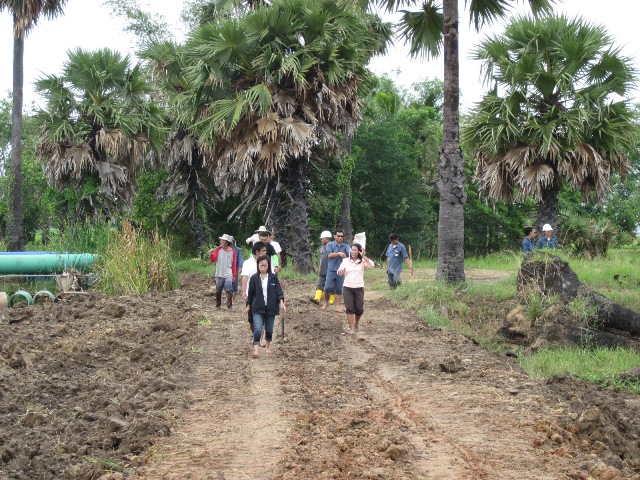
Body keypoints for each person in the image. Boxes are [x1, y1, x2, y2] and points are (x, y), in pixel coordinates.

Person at [243, 255, 286, 359]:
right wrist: (248, 306)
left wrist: (281, 302)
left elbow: (278, 291)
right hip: (257, 307)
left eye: (265, 265)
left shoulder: (273, 277)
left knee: (269, 329)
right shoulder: (254, 278)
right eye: (261, 265)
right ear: (258, 265)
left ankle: (267, 347)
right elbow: (251, 293)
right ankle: (256, 350)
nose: (263, 267)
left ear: (268, 266)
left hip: (271, 307)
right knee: (257, 328)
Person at [337, 243, 375, 334]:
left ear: (359, 251)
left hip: (359, 287)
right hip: (347, 287)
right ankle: (352, 328)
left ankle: (356, 322)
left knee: (359, 309)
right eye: (352, 250)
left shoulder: (362, 262)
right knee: (349, 308)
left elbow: (372, 264)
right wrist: (340, 271)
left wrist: (363, 256)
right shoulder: (346, 261)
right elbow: (339, 271)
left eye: (355, 250)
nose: (353, 252)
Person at [242, 241, 268, 335]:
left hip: (265, 294)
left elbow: (272, 276)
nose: (265, 252)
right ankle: (255, 334)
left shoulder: (268, 261)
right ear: (257, 252)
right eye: (263, 250)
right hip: (252, 294)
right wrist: (244, 291)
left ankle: (260, 336)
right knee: (251, 318)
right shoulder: (248, 263)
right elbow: (245, 277)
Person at [322, 229, 350, 311]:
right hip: (331, 270)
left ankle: (337, 306)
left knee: (339, 289)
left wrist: (346, 257)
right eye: (338, 236)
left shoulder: (345, 246)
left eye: (342, 236)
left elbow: (350, 254)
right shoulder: (330, 245)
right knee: (327, 288)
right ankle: (326, 303)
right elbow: (329, 255)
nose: (340, 237)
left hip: (341, 270)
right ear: (334, 236)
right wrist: (339, 253)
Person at [209, 234, 237, 309]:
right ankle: (218, 305)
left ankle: (229, 306)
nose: (222, 242)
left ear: (227, 242)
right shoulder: (218, 250)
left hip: (228, 273)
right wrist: (211, 254)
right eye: (222, 240)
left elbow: (233, 264)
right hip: (219, 273)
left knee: (229, 290)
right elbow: (213, 259)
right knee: (218, 290)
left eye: (223, 241)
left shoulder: (232, 252)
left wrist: (234, 274)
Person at [311, 230, 335, 305]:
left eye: (322, 238)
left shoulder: (333, 246)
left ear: (327, 238)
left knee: (332, 285)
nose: (321, 240)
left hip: (331, 270)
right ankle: (317, 298)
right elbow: (322, 259)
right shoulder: (322, 247)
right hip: (322, 270)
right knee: (320, 284)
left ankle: (332, 300)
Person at [230, 236, 244, 302]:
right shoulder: (225, 249)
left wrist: (240, 267)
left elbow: (240, 259)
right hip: (227, 268)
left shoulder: (238, 249)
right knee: (227, 283)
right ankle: (229, 297)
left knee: (234, 283)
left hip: (235, 268)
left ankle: (233, 298)